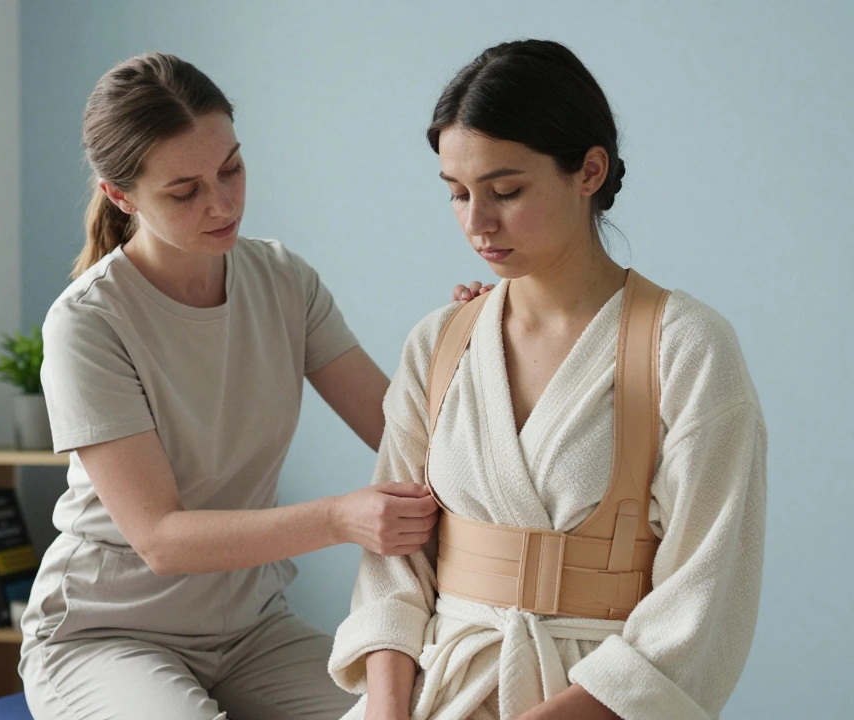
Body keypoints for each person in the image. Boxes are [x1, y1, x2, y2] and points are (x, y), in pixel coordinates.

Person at [17, 52, 485, 720]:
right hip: (106, 635)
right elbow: (161, 538)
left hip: (249, 633)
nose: (222, 202)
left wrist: (474, 347)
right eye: (184, 191)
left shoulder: (282, 280)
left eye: (231, 168)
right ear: (121, 197)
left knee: (430, 709)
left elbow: (402, 431)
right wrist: (338, 518)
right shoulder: (87, 324)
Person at [328, 39, 767, 720]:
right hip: (431, 697)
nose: (476, 223)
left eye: (506, 191)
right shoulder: (439, 344)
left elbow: (701, 603)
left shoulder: (687, 348)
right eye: (457, 194)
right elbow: (394, 571)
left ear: (589, 170)